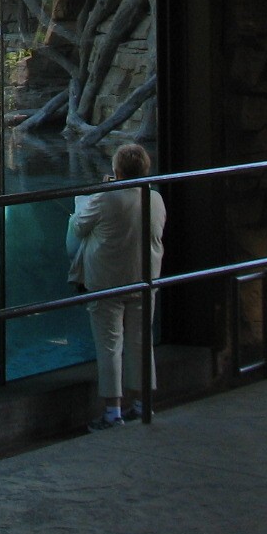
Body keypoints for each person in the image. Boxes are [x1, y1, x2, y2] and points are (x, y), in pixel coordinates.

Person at [67, 142, 166, 430]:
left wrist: (93, 197)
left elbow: (78, 227)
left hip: (107, 281)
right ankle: (141, 403)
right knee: (140, 341)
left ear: (117, 170)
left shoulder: (105, 198)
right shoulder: (156, 199)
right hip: (145, 279)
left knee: (110, 344)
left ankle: (112, 412)